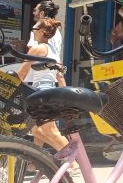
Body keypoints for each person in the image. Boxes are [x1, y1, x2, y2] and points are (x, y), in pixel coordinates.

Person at [17, 18, 78, 174]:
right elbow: (60, 77)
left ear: (42, 32)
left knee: (51, 131)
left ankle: (74, 164)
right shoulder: (53, 51)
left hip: (41, 93)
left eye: (34, 30)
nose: (32, 33)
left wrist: (10, 86)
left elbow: (22, 73)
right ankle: (39, 162)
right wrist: (65, 98)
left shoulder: (37, 49)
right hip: (50, 92)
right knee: (37, 131)